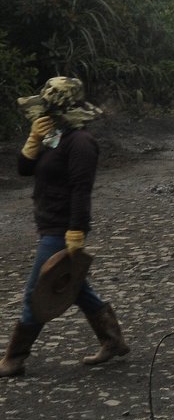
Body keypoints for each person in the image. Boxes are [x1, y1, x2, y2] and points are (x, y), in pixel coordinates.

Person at [0, 77, 130, 378]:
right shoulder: (53, 135)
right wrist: (33, 141)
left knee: (38, 290)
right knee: (75, 286)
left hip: (62, 228)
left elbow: (81, 189)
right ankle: (113, 341)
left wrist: (77, 231)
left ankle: (14, 358)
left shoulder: (81, 143)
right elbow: (23, 169)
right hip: (48, 224)